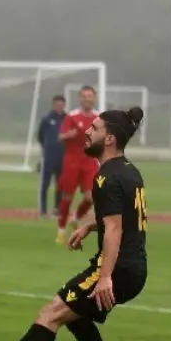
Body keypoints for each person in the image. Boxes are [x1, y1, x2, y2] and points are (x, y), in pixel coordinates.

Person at [0, 107, 146, 341]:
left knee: (53, 312)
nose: (87, 132)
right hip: (133, 266)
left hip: (117, 268)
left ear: (110, 139)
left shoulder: (106, 178)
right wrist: (89, 226)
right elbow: (124, 220)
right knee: (76, 314)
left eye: (95, 128)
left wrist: (104, 277)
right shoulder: (129, 171)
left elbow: (115, 230)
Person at [56, 85, 99, 243]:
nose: (87, 99)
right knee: (67, 197)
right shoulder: (71, 116)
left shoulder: (99, 118)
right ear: (80, 98)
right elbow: (60, 137)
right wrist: (70, 134)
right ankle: (61, 230)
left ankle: (76, 217)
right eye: (84, 96)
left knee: (91, 197)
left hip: (90, 162)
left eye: (90, 96)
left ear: (94, 98)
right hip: (72, 162)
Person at [37, 95, 67, 218]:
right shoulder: (46, 119)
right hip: (48, 158)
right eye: (57, 104)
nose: (59, 107)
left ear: (64, 105)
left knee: (60, 185)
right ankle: (43, 210)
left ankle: (57, 209)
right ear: (53, 105)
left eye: (61, 105)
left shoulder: (67, 119)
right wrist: (47, 148)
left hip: (62, 158)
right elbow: (40, 136)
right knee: (45, 184)